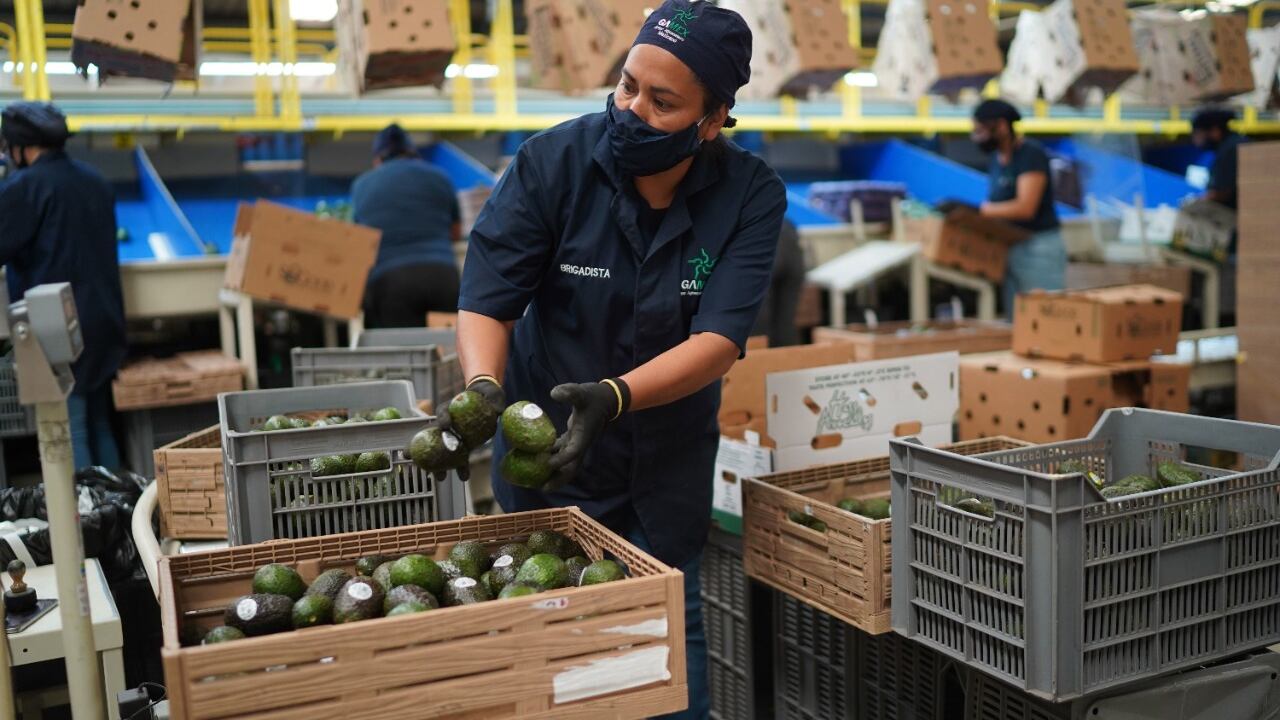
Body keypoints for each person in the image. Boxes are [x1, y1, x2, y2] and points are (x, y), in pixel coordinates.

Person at [445, 3, 784, 717]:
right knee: (550, 673)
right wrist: (482, 387)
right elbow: (487, 297)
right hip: (549, 475)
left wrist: (615, 396)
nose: (632, 109)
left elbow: (718, 340)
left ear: (714, 118)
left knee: (662, 669)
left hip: (662, 476)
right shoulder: (553, 163)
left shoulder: (750, 194)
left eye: (662, 102)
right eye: (628, 85)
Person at [0, 102, 125, 470]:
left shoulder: (24, 187)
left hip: (60, 328)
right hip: (104, 321)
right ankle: (117, 512)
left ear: (20, 147)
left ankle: (86, 523)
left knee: (71, 430)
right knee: (101, 424)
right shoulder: (96, 180)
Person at [351, 124, 462, 328]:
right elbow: (456, 232)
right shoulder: (440, 177)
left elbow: (360, 242)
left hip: (390, 281)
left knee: (404, 354)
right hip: (442, 276)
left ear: (378, 159)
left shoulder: (361, 185)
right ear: (412, 152)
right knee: (448, 351)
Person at [970, 99, 1066, 315]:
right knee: (1017, 320)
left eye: (983, 130)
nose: (979, 136)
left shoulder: (1030, 154)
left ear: (1002, 126)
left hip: (1038, 249)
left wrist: (985, 211)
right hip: (1010, 247)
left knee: (1045, 315)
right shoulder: (996, 159)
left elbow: (1025, 207)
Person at [751, 218, 804, 347]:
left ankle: (757, 362)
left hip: (761, 241)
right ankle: (785, 364)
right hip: (789, 238)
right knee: (785, 323)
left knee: (757, 322)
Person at [1191, 107, 1244, 209]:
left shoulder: (1231, 149)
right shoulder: (1229, 146)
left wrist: (1200, 200)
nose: (1195, 139)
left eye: (1198, 133)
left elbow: (1224, 192)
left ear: (1215, 131)